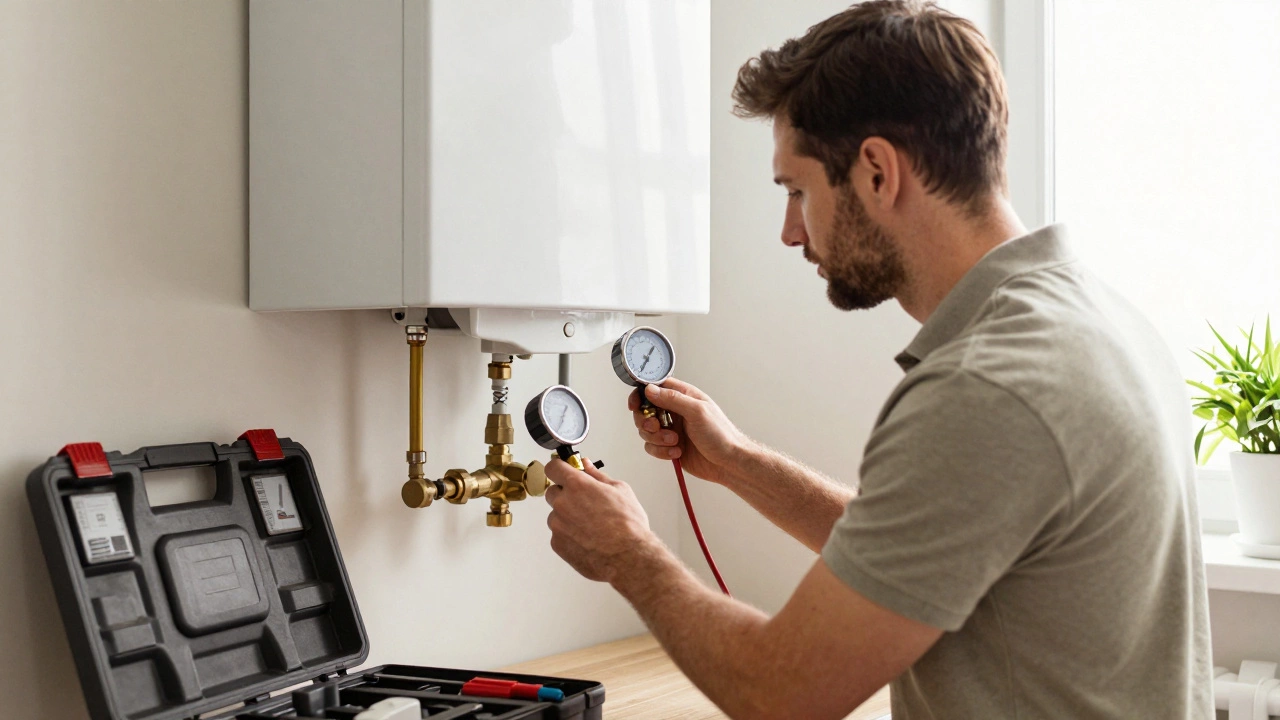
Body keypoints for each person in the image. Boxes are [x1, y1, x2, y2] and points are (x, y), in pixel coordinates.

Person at [542, 1, 1214, 717]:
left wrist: (630, 556)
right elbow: (936, 546)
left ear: (876, 171)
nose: (790, 231)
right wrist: (738, 461)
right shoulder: (1097, 321)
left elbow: (780, 690)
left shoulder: (985, 386)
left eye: (797, 190)